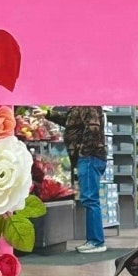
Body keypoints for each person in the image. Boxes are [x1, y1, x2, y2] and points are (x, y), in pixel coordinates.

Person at [51, 106, 108, 254]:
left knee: (90, 199)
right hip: (89, 157)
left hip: (89, 158)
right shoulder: (81, 105)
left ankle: (96, 241)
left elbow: (93, 128)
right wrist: (48, 114)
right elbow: (72, 122)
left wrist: (83, 152)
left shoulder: (88, 104)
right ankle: (94, 240)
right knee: (90, 199)